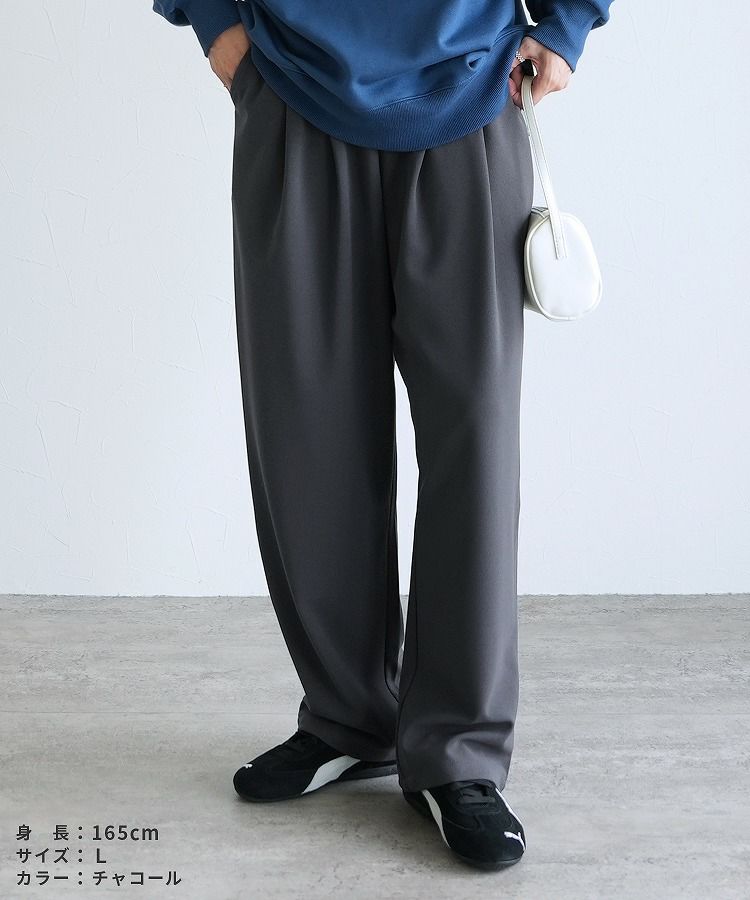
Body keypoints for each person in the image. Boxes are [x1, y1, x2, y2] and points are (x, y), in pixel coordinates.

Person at [153, 0, 613, 871]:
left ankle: (459, 753)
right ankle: (349, 715)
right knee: (306, 434)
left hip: (470, 92)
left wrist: (566, 26)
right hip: (292, 84)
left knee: (473, 446)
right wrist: (215, 22)